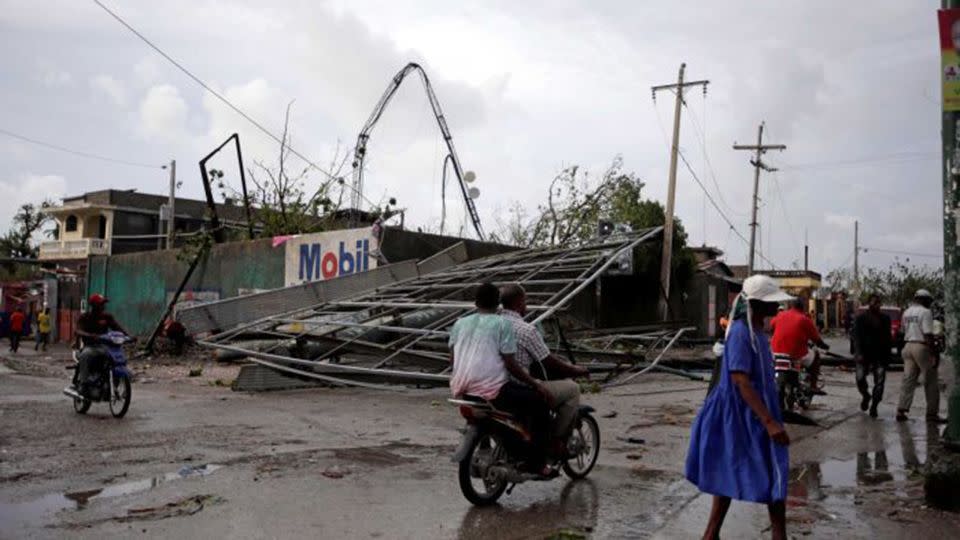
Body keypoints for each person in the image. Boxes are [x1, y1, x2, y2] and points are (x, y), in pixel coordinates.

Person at [685, 275, 793, 540]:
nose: (776, 308)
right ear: (757, 304)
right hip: (741, 415)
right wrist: (769, 422)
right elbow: (740, 380)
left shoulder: (757, 333)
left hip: (751, 412)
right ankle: (777, 535)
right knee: (773, 472)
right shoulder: (741, 334)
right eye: (771, 304)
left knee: (731, 471)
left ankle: (712, 534)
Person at [448, 282, 555, 475]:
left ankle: (509, 445)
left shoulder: (460, 323)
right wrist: (536, 384)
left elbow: (452, 358)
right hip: (493, 391)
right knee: (540, 402)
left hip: (461, 388)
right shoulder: (502, 324)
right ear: (498, 304)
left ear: (475, 302)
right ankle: (538, 464)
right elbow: (510, 364)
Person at [499, 283, 589, 446]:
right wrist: (575, 370)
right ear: (519, 303)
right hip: (518, 386)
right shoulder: (525, 330)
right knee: (572, 389)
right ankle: (555, 440)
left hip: (493, 384)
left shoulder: (491, 325)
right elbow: (548, 361)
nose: (526, 305)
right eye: (525, 301)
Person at [896, 289, 945, 423]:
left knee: (908, 380)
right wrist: (935, 353)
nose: (930, 304)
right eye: (929, 301)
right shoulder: (925, 312)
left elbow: (902, 331)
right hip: (921, 347)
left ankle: (901, 409)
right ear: (924, 300)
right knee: (931, 381)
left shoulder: (906, 312)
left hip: (908, 347)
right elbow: (928, 334)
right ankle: (932, 414)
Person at [770, 297, 830, 394]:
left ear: (790, 306)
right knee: (816, 356)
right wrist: (824, 346)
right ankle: (813, 385)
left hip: (776, 352)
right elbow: (817, 339)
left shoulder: (779, 315)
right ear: (803, 307)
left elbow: (772, 327)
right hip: (796, 354)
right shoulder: (804, 319)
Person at [73, 294, 130, 396]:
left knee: (117, 358)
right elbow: (78, 330)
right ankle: (84, 384)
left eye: (104, 304)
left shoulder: (107, 317)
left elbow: (117, 328)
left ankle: (113, 381)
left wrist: (129, 337)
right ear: (93, 306)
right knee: (85, 355)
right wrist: (90, 335)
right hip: (90, 346)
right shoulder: (85, 317)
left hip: (106, 347)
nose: (103, 306)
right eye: (101, 304)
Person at [852, 294, 892, 418]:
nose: (876, 305)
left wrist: (888, 356)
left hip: (880, 355)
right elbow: (856, 337)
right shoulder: (861, 318)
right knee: (859, 378)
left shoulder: (885, 319)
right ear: (869, 303)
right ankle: (866, 396)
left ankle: (874, 406)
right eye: (874, 302)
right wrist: (858, 353)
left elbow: (888, 338)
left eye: (878, 303)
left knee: (879, 383)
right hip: (863, 354)